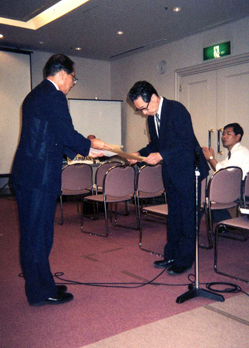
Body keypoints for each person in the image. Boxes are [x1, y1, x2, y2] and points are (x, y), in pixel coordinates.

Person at [11, 54, 112, 306]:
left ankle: (43, 283)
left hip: (30, 175)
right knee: (38, 236)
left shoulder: (36, 94)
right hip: (38, 178)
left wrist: (83, 148)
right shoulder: (55, 95)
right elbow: (65, 133)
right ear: (64, 74)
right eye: (73, 79)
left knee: (35, 234)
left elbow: (52, 136)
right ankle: (40, 291)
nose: (72, 84)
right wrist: (88, 147)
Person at [128, 81, 209, 275]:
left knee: (187, 216)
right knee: (174, 215)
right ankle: (171, 255)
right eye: (139, 110)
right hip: (172, 172)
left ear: (154, 98)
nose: (143, 113)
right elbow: (155, 145)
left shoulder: (176, 110)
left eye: (143, 108)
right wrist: (137, 155)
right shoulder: (152, 117)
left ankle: (185, 260)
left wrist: (162, 156)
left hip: (189, 170)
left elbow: (186, 143)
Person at [202, 123, 249, 222]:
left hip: (238, 191)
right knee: (205, 192)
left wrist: (210, 158)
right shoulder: (235, 152)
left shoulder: (240, 152)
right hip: (236, 189)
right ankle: (223, 221)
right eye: (223, 134)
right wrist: (212, 158)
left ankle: (192, 226)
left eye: (228, 134)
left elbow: (223, 174)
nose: (224, 137)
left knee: (202, 193)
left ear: (237, 137)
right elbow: (221, 166)